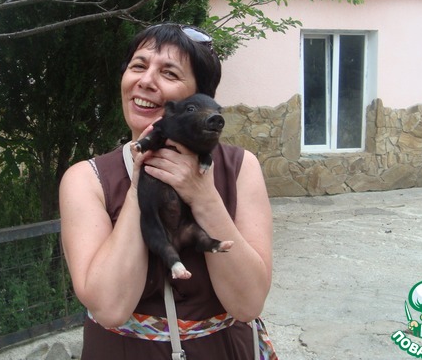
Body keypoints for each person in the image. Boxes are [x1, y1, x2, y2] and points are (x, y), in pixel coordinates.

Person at [60, 23, 277, 359]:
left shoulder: (240, 168)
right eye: (138, 66)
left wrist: (203, 196)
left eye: (169, 73)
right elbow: (109, 308)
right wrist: (141, 186)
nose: (146, 81)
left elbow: (248, 304)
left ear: (199, 98)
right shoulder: (87, 179)